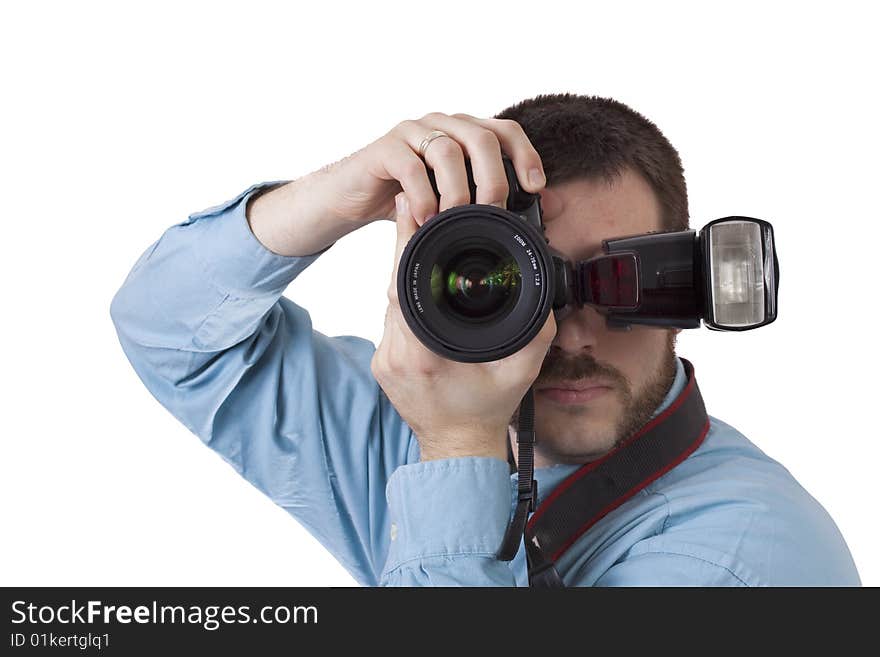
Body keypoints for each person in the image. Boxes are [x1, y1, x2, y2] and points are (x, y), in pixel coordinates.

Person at [110, 93, 860, 586]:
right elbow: (165, 325)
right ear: (437, 278)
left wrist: (457, 444)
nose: (569, 334)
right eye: (513, 284)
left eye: (618, 284)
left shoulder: (749, 557)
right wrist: (333, 194)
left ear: (685, 285)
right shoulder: (409, 420)